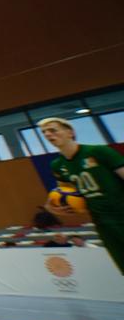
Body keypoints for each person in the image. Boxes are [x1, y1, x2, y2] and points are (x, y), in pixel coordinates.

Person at [39, 116, 124, 274]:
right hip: (102, 223)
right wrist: (51, 207)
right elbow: (63, 194)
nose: (48, 134)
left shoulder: (98, 151)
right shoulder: (57, 165)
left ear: (70, 132)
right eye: (44, 132)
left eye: (52, 130)